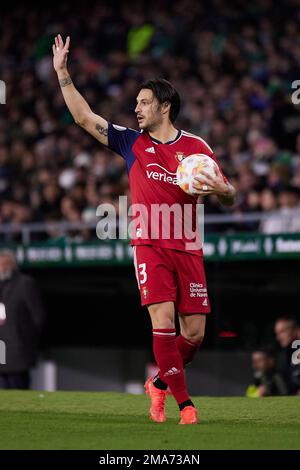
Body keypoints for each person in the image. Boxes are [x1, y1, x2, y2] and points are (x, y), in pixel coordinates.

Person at [53, 35, 236, 424]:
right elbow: (85, 118)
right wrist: (63, 74)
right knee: (163, 323)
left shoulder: (198, 149)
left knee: (196, 335)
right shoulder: (131, 143)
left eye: (144, 103)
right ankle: (185, 405)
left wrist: (223, 189)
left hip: (187, 245)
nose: (136, 109)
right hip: (149, 241)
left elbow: (229, 195)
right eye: (136, 103)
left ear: (165, 106)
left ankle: (159, 383)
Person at [0, 250, 46, 389]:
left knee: (19, 391)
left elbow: (38, 316)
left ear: (12, 265)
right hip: (1, 348)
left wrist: (27, 340)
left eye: (3, 264)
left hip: (19, 350)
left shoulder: (25, 283)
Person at [275, 317, 300, 395]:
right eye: (277, 333)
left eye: (282, 332)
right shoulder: (288, 352)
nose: (278, 338)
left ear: (295, 330)